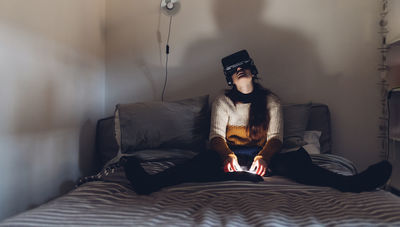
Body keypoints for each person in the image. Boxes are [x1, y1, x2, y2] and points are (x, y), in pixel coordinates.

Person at [123, 50, 392, 195]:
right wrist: (227, 154)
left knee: (298, 162)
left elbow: (276, 138)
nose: (240, 71)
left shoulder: (272, 100)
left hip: (265, 157)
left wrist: (263, 158)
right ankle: (149, 183)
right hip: (227, 154)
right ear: (229, 78)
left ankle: (352, 184)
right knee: (199, 162)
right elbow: (216, 136)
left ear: (253, 70)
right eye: (234, 70)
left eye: (244, 66)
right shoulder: (222, 101)